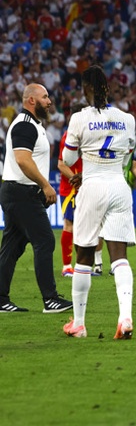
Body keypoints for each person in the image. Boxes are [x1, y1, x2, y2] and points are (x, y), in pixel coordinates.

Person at [61, 65, 136, 338]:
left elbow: (67, 160)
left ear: (85, 89)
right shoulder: (127, 118)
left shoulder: (79, 118)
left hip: (92, 186)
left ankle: (78, 323)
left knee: (84, 256)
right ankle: (125, 318)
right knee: (120, 257)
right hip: (119, 186)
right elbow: (127, 159)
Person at [0, 83, 73, 313]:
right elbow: (22, 159)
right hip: (22, 192)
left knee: (12, 247)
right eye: (45, 97)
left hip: (17, 192)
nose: (49, 101)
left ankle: (0, 298)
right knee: (45, 241)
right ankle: (50, 299)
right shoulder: (24, 125)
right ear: (31, 100)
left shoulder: (34, 125)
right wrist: (45, 185)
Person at [58, 102, 106, 277]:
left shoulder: (89, 135)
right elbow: (61, 164)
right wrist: (76, 179)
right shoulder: (68, 137)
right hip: (72, 189)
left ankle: (87, 265)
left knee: (91, 226)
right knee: (69, 225)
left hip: (87, 187)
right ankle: (66, 267)